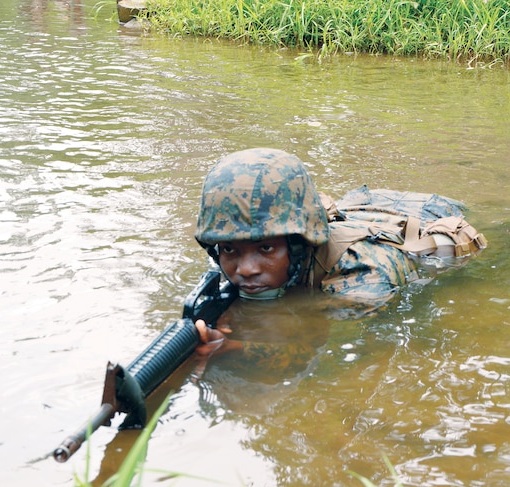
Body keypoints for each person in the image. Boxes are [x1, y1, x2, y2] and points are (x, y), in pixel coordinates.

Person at [193, 147, 486, 354]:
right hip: (370, 206)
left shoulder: (362, 274)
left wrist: (242, 347)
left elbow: (327, 336)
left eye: (266, 248)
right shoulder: (273, 246)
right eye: (229, 249)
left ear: (299, 244)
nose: (245, 269)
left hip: (434, 216)